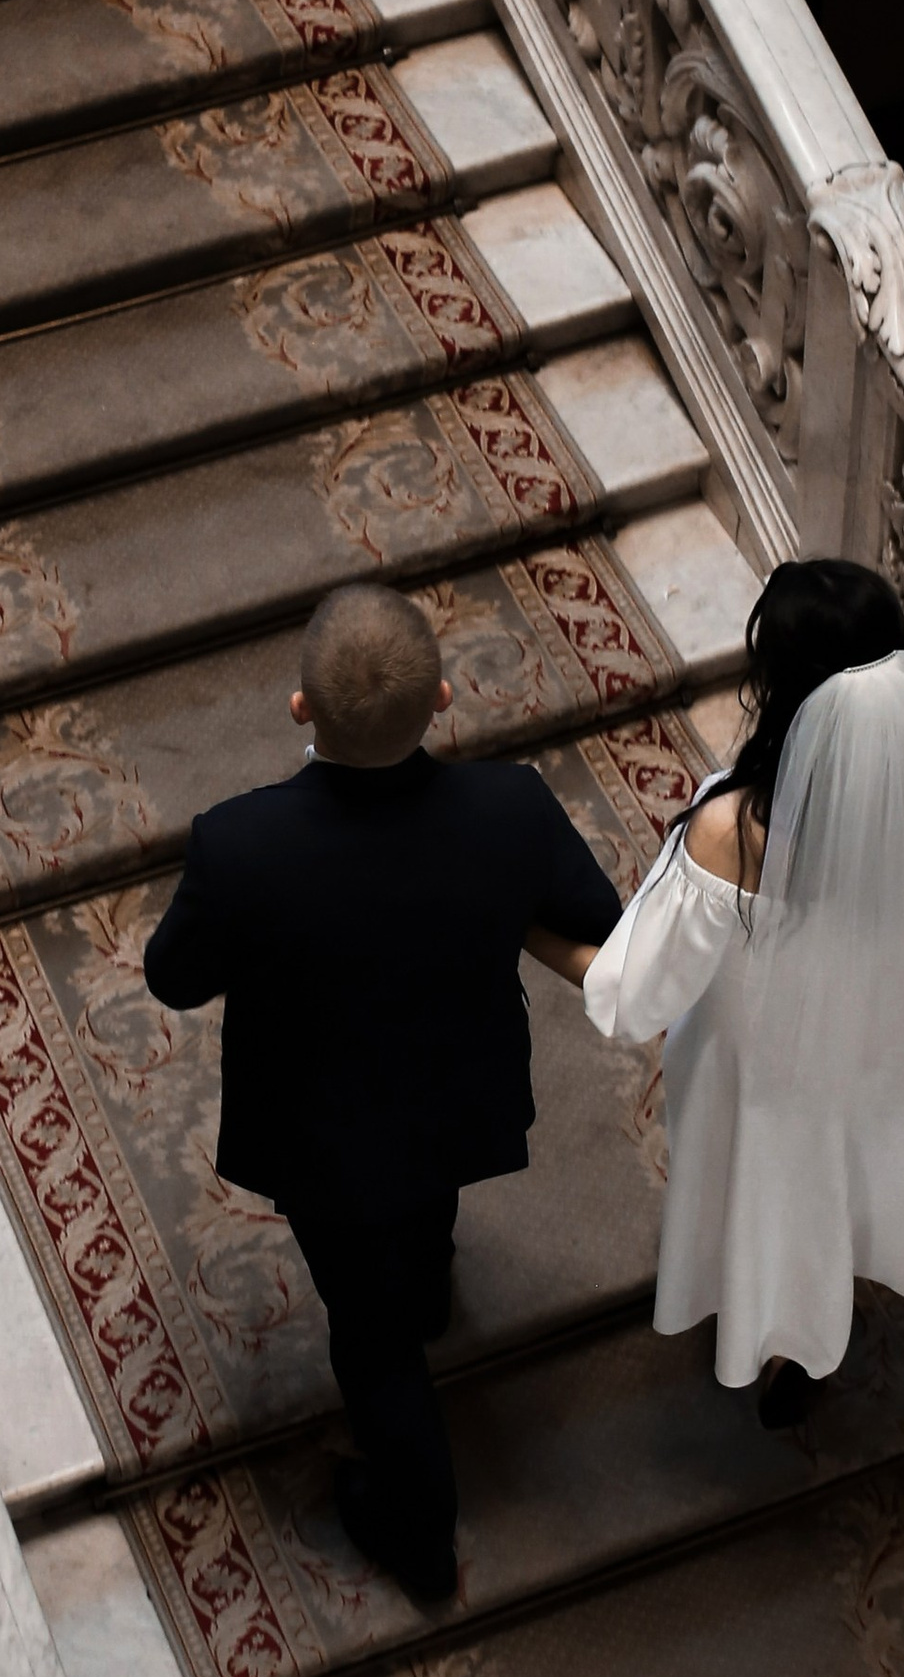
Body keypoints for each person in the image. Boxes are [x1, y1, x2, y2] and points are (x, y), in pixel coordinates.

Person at [143, 579, 621, 1598]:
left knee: (368, 1332)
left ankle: (417, 1528)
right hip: (459, 1095)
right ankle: (431, 1274)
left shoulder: (240, 844)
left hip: (322, 1135)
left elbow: (173, 976)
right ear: (444, 698)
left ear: (299, 708)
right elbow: (597, 914)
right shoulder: (510, 807)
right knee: (425, 1203)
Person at [584, 557, 904, 1423]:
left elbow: (632, 995)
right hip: (884, 1025)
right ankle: (812, 1338)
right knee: (844, 1165)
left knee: (768, 1183)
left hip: (764, 1060)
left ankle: (768, 1331)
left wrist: (549, 938)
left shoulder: (732, 830)